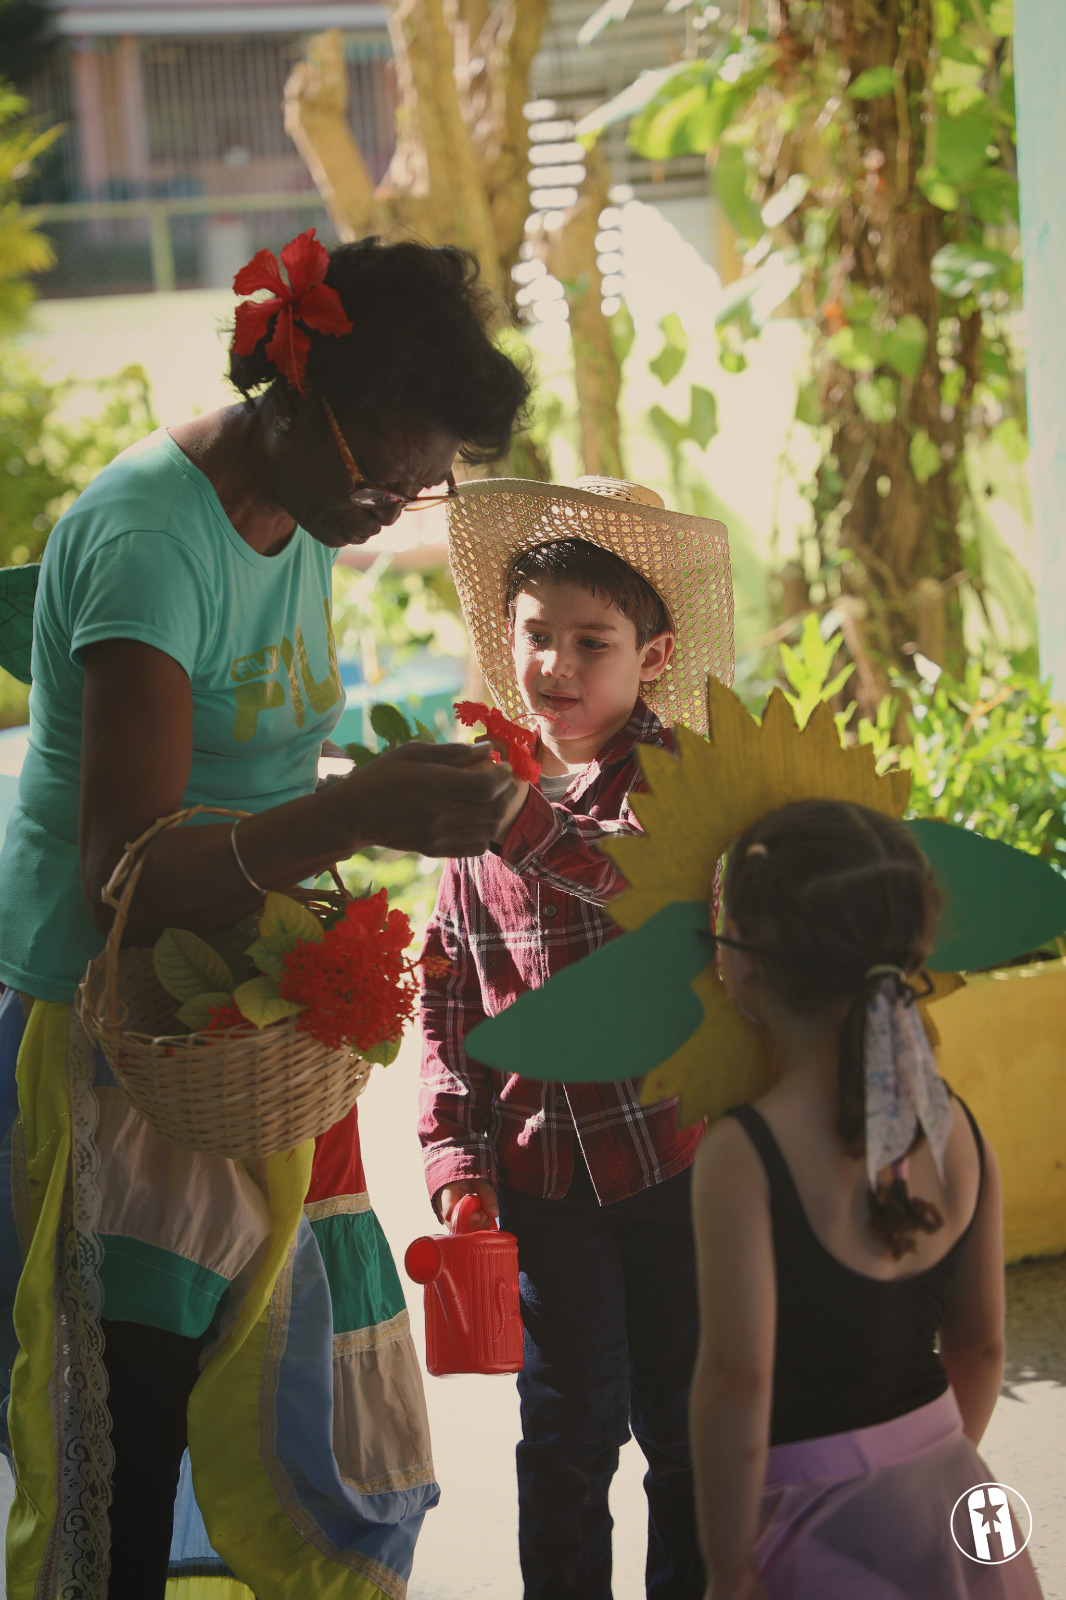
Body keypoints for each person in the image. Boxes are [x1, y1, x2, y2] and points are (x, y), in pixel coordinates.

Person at [0, 229, 529, 1600]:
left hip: (239, 1026)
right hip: (115, 1031)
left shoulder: (296, 510)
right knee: (127, 1408)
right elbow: (133, 865)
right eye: (380, 475)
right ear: (289, 396)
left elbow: (258, 771)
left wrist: (397, 789)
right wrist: (358, 818)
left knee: (248, 1389)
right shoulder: (145, 543)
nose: (389, 511)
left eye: (421, 486)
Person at [418, 476, 734, 1600]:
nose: (555, 663)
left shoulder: (676, 780)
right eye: (535, 635)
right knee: (563, 1434)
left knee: (692, 1432)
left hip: (674, 1163)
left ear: (652, 654)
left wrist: (520, 816)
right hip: (543, 1179)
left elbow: (630, 892)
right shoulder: (482, 799)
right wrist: (456, 1162)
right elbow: (449, 996)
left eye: (589, 640)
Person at [690, 798, 1045, 1600]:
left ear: (742, 960)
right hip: (960, 1493)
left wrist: (725, 1565)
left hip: (815, 1518)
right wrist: (920, 1465)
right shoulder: (960, 1130)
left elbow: (735, 1380)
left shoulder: (742, 1156)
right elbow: (982, 1349)